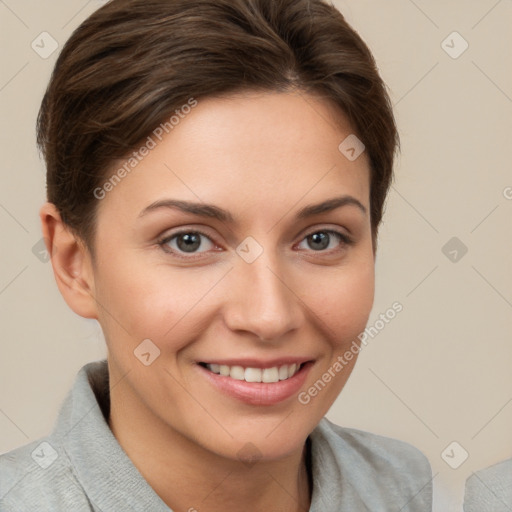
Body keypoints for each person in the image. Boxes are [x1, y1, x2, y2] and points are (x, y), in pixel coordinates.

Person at [0, 0, 433, 510]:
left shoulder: (422, 495)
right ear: (75, 264)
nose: (269, 316)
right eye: (189, 241)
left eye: (320, 238)